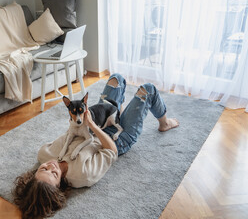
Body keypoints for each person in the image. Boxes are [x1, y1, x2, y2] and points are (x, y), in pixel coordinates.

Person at [13, 73, 179, 219]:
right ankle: (164, 123)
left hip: (95, 121)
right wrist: (92, 125)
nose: (51, 166)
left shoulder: (44, 154)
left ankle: (117, 112)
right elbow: (111, 151)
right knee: (147, 89)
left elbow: (69, 133)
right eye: (54, 174)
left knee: (116, 79)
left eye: (43, 169)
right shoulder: (83, 175)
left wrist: (84, 121)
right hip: (116, 138)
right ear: (59, 186)